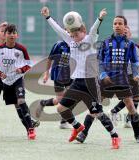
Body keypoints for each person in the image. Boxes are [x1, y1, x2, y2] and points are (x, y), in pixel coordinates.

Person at [41, 6, 121, 149]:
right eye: (71, 35)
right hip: (77, 83)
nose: (73, 37)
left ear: (83, 31)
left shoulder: (90, 39)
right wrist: (48, 17)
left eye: (75, 34)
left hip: (91, 83)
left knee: (97, 112)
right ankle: (77, 127)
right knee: (61, 108)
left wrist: (100, 18)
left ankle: (114, 136)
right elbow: (59, 30)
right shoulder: (70, 40)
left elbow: (94, 28)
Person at [76, 15, 139, 144]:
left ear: (125, 26)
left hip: (122, 79)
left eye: (120, 23)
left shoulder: (129, 44)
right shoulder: (106, 42)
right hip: (106, 79)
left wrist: (136, 73)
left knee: (130, 106)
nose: (117, 25)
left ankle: (138, 135)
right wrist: (102, 75)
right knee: (94, 107)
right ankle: (83, 134)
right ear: (112, 26)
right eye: (115, 23)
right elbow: (100, 61)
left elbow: (135, 61)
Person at [0, 24, 36, 140]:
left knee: (21, 100)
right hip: (6, 82)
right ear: (4, 35)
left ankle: (30, 129)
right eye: (9, 33)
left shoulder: (21, 49)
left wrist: (21, 69)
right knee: (17, 106)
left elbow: (29, 64)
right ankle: (28, 127)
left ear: (17, 35)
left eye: (14, 33)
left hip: (17, 79)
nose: (12, 35)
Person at [110, 25, 139, 128]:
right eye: (124, 32)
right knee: (130, 98)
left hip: (133, 75)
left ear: (130, 34)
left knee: (136, 98)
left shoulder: (136, 46)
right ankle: (125, 118)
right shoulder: (118, 45)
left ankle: (119, 114)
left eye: (127, 33)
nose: (125, 34)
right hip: (124, 74)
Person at [37, 40, 72, 129]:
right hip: (58, 74)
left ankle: (63, 122)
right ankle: (43, 103)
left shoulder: (77, 44)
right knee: (60, 100)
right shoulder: (59, 45)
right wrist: (46, 73)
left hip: (71, 75)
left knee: (71, 97)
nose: (70, 34)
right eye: (68, 31)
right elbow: (49, 59)